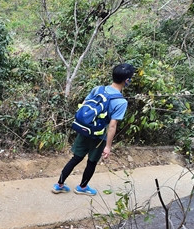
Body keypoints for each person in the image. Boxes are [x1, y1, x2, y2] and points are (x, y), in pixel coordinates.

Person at [52, 63, 135, 196]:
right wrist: (108, 146)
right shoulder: (121, 102)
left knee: (75, 158)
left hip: (84, 130)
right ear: (127, 80)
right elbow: (112, 126)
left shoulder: (98, 89)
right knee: (92, 162)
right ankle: (82, 187)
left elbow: (85, 105)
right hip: (99, 137)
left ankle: (59, 185)